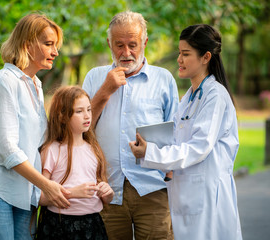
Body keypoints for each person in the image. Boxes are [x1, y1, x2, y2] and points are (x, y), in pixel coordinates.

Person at [129, 24, 242, 239]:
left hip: (207, 197)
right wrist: (150, 148)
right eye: (179, 53)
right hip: (187, 194)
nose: (179, 60)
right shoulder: (190, 96)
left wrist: (150, 153)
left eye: (186, 54)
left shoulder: (215, 96)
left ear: (206, 57)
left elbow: (198, 148)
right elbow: (176, 139)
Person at [0, 13, 71, 240]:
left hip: (23, 191)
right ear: (27, 45)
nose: (55, 52)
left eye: (56, 45)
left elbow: (38, 144)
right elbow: (5, 149)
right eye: (48, 44)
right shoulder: (5, 81)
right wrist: (47, 185)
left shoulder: (36, 85)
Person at [82, 11, 179, 240]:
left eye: (133, 45)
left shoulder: (164, 79)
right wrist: (105, 90)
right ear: (109, 44)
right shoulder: (95, 77)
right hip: (107, 191)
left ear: (144, 42)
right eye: (119, 45)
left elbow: (176, 135)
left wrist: (171, 177)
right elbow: (81, 130)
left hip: (153, 189)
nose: (126, 53)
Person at [36, 86, 114, 240]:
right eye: (79, 111)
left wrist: (107, 193)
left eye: (89, 110)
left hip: (92, 224)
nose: (87, 116)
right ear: (62, 116)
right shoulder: (51, 150)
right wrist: (72, 193)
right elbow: (40, 197)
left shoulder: (94, 149)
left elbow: (104, 198)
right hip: (59, 225)